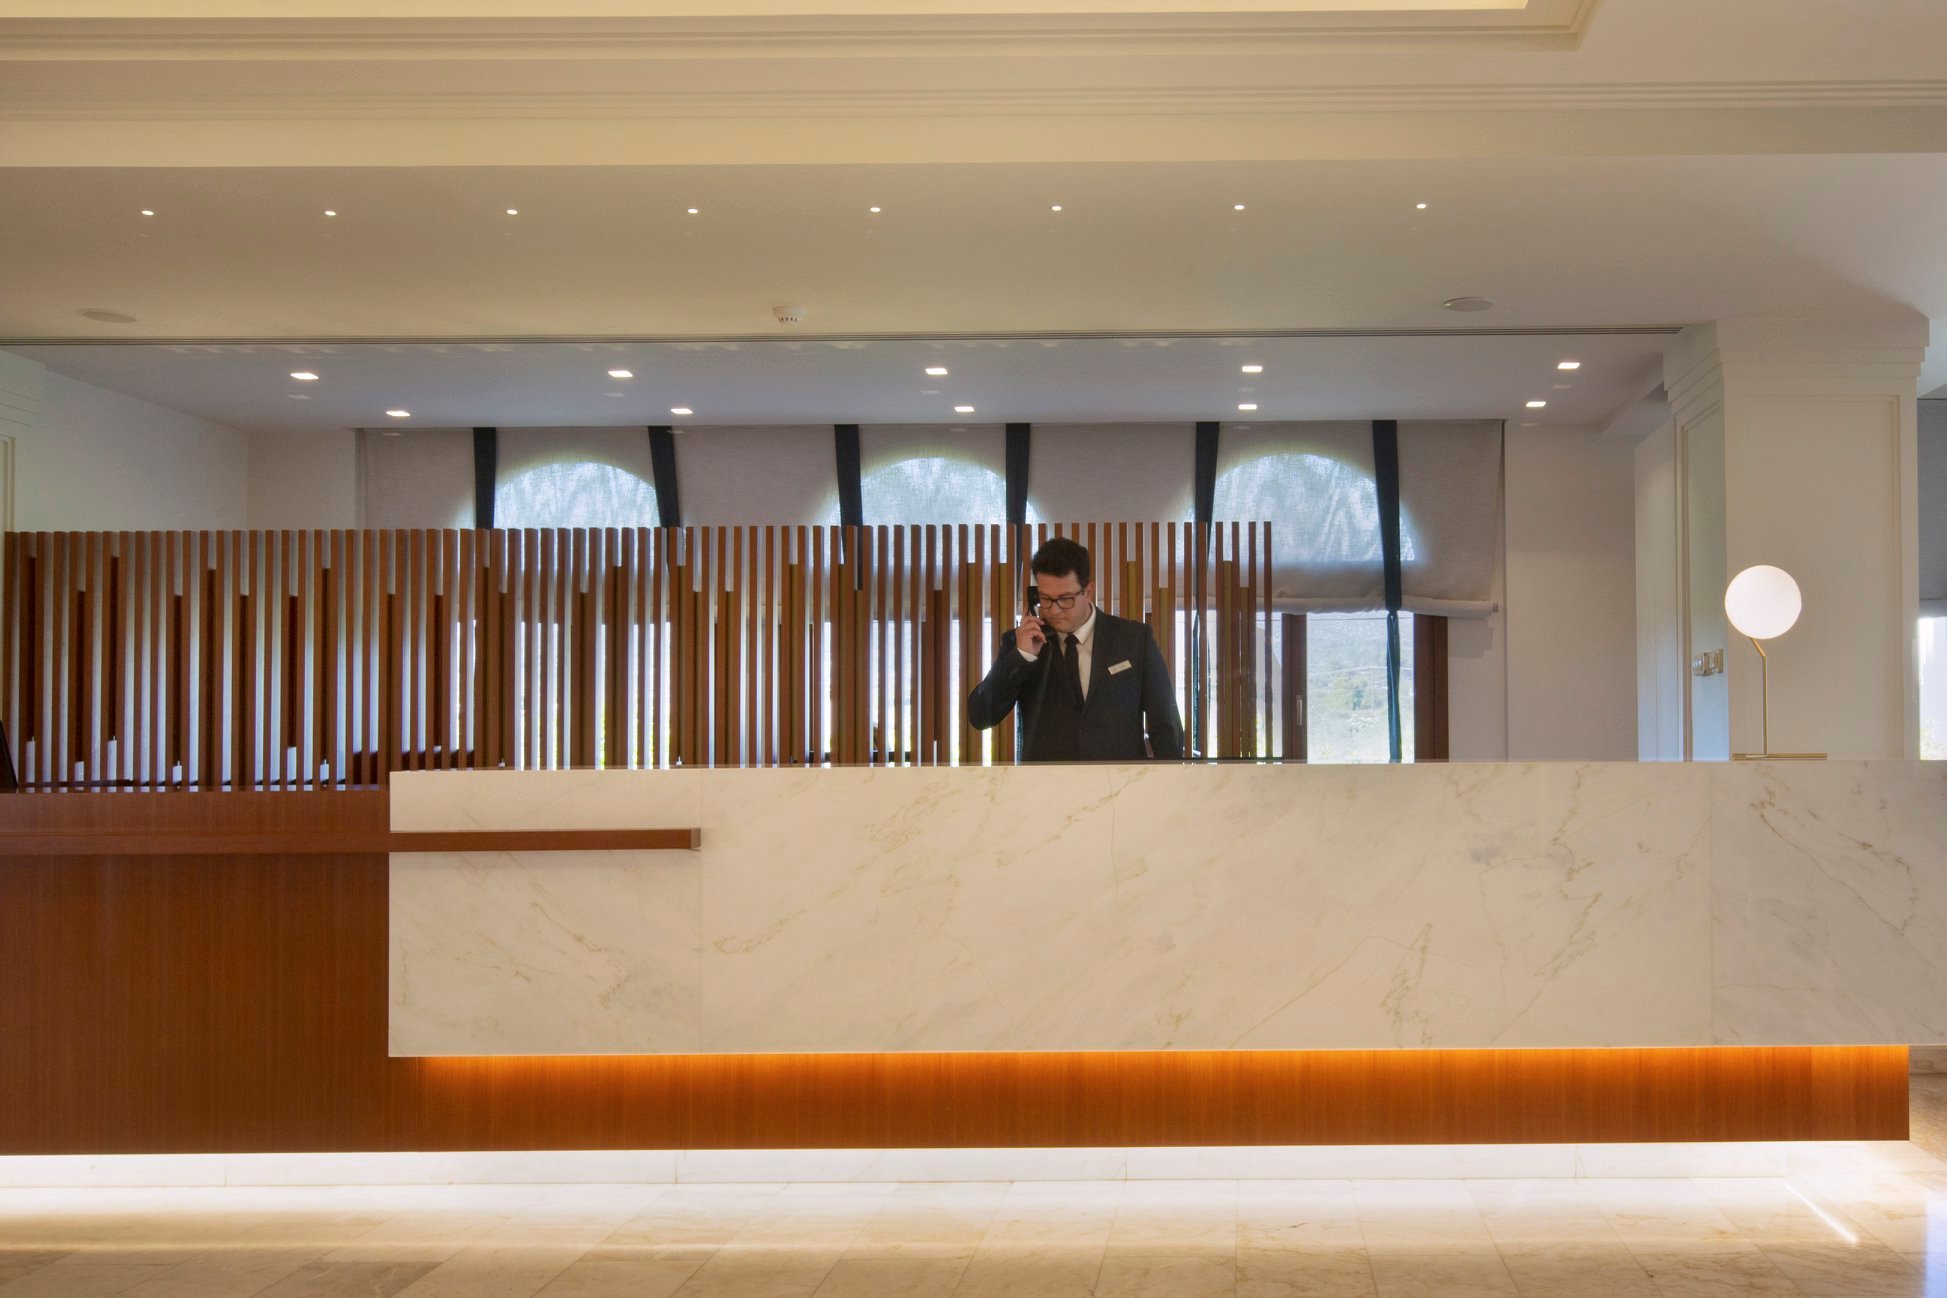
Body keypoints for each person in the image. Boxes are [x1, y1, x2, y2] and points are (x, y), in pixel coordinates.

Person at [967, 537, 1184, 762]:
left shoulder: (1134, 639)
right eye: (1045, 599)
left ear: (1088, 591)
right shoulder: (1021, 643)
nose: (1054, 610)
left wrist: (1171, 776)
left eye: (1065, 599)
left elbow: (1165, 722)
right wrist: (1022, 657)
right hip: (1047, 782)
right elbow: (980, 715)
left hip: (1121, 780)